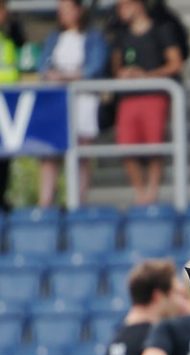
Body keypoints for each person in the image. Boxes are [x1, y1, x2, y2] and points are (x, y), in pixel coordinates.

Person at [112, 0, 184, 205]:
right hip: (128, 97)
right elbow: (116, 68)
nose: (121, 10)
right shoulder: (121, 35)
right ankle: (140, 192)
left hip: (154, 95)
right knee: (126, 145)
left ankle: (151, 192)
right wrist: (125, 74)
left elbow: (175, 63)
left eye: (124, 5)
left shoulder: (162, 30)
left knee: (155, 145)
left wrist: (147, 75)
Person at [38, 0, 107, 207]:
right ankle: (46, 201)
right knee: (50, 152)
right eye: (61, 11)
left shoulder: (93, 37)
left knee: (82, 152)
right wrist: (56, 76)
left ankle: (79, 200)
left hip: (84, 100)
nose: (63, 14)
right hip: (57, 102)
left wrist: (66, 76)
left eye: (67, 9)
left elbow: (93, 69)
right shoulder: (53, 38)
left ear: (79, 11)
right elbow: (43, 66)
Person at [0, 0, 24, 213]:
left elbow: (21, 43)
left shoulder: (9, 36)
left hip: (8, 103)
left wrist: (12, 23)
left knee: (5, 156)